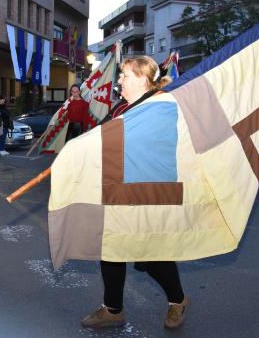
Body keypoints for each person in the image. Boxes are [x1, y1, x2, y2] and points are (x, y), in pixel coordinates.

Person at [81, 56, 189, 330]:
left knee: (151, 256)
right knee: (112, 249)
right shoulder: (119, 108)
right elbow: (99, 137)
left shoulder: (162, 105)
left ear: (143, 78)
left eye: (124, 75)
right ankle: (113, 309)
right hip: (118, 187)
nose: (119, 80)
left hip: (149, 190)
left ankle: (178, 300)